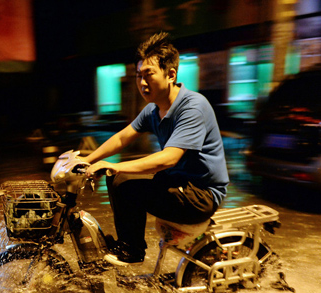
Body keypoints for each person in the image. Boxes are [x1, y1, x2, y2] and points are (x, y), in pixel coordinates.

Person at [81, 32, 229, 265]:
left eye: (148, 75)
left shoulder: (193, 107)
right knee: (119, 178)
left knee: (122, 179)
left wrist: (114, 165)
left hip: (201, 195)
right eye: (139, 75)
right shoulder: (154, 109)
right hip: (178, 183)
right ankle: (128, 243)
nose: (141, 82)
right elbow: (122, 138)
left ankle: (132, 249)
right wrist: (87, 160)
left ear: (171, 75)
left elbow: (169, 158)